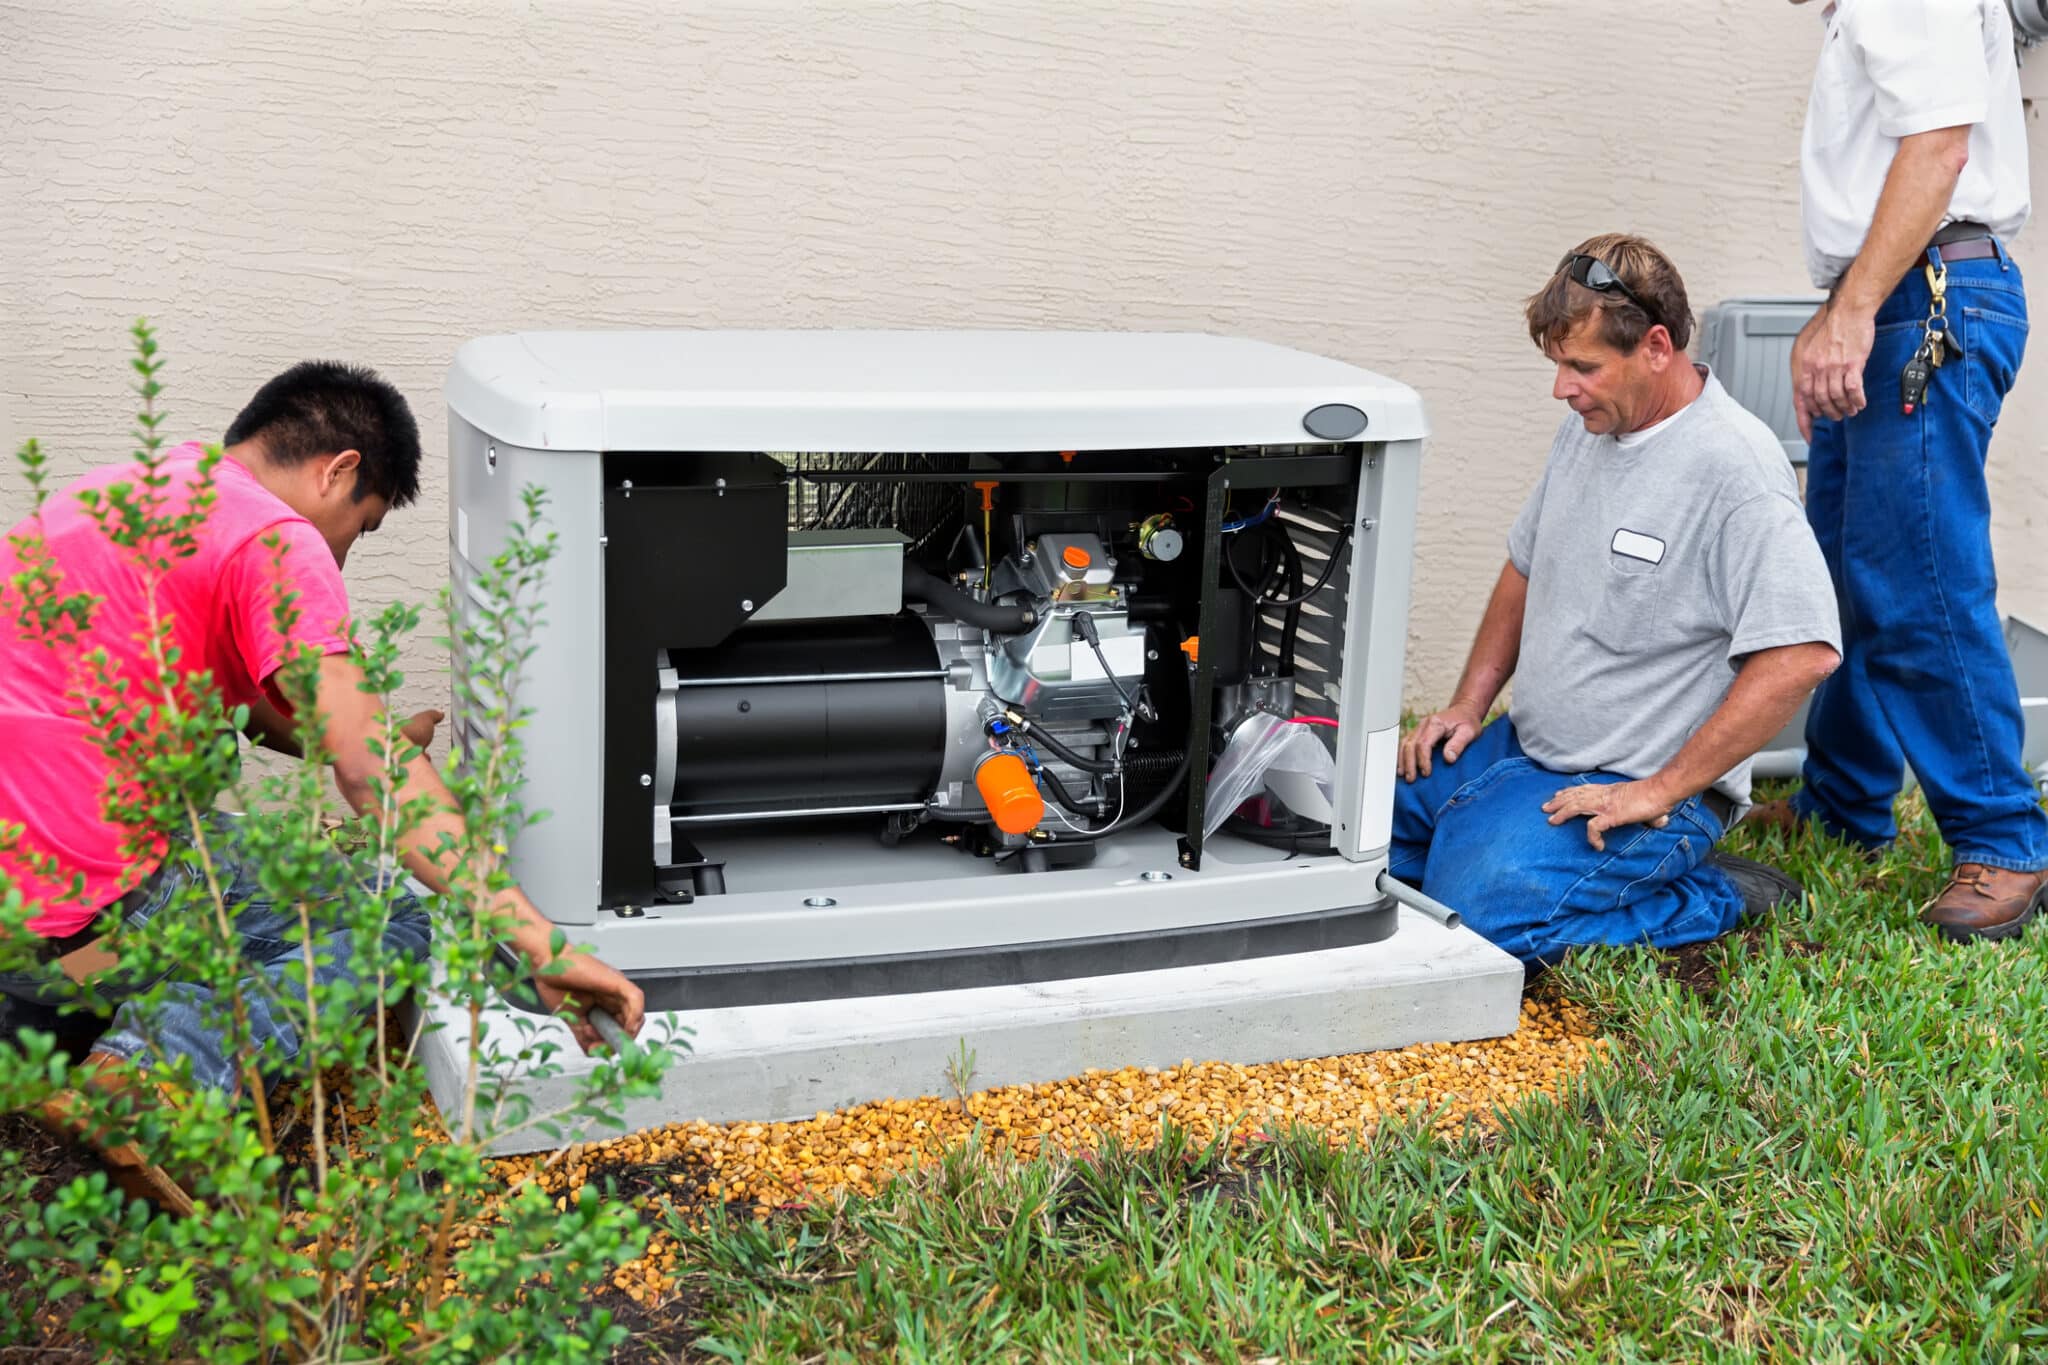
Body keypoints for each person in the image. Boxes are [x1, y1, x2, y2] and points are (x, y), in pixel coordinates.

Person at [0, 361, 646, 1203]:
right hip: (85, 895)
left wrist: (359, 729)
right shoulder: (276, 538)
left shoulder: (126, 491)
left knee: (263, 866)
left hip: (21, 889)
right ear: (337, 469)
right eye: (361, 526)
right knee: (398, 914)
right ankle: (144, 1077)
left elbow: (249, 701)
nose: (340, 553)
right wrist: (541, 944)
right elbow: (373, 779)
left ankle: (52, 1011)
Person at [1395, 234, 1842, 969]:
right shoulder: (1591, 428)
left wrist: (1660, 788)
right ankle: (1493, 835)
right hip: (1521, 750)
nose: (1563, 388)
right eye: (1560, 366)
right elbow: (1523, 567)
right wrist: (1469, 705)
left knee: (1478, 921)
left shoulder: (1734, 470)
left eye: (1583, 367)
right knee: (1358, 839)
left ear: (1657, 346)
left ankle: (1712, 895)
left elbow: (1802, 653)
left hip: (1638, 789)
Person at [1749, 0, 2044, 942]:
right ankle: (1844, 800)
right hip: (1896, 299)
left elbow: (1938, 149)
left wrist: (1853, 310)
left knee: (1917, 576)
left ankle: (2005, 841)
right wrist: (1849, 307)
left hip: (1924, 301)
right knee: (1846, 569)